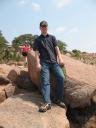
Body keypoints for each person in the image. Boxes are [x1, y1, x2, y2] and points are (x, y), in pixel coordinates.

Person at [33, 20, 66, 112]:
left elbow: (57, 49)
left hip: (54, 62)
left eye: (45, 26)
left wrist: (60, 58)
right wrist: (37, 63)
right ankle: (47, 103)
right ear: (40, 28)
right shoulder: (37, 40)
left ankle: (58, 99)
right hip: (44, 63)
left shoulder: (52, 37)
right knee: (45, 81)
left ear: (47, 27)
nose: (44, 28)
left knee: (61, 77)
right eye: (42, 26)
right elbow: (36, 53)